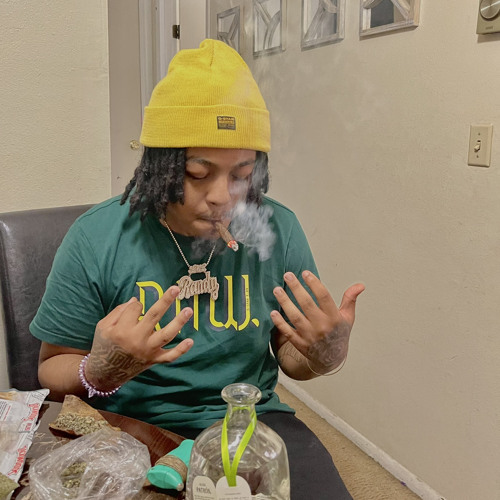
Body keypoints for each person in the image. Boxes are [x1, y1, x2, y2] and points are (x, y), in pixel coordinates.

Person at [30, 39, 364, 499]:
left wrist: (323, 357)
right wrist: (100, 370)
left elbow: (290, 355)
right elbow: (51, 369)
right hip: (128, 427)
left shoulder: (279, 229)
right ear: (159, 167)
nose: (223, 197)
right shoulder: (97, 237)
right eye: (198, 173)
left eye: (242, 174)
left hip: (250, 423)